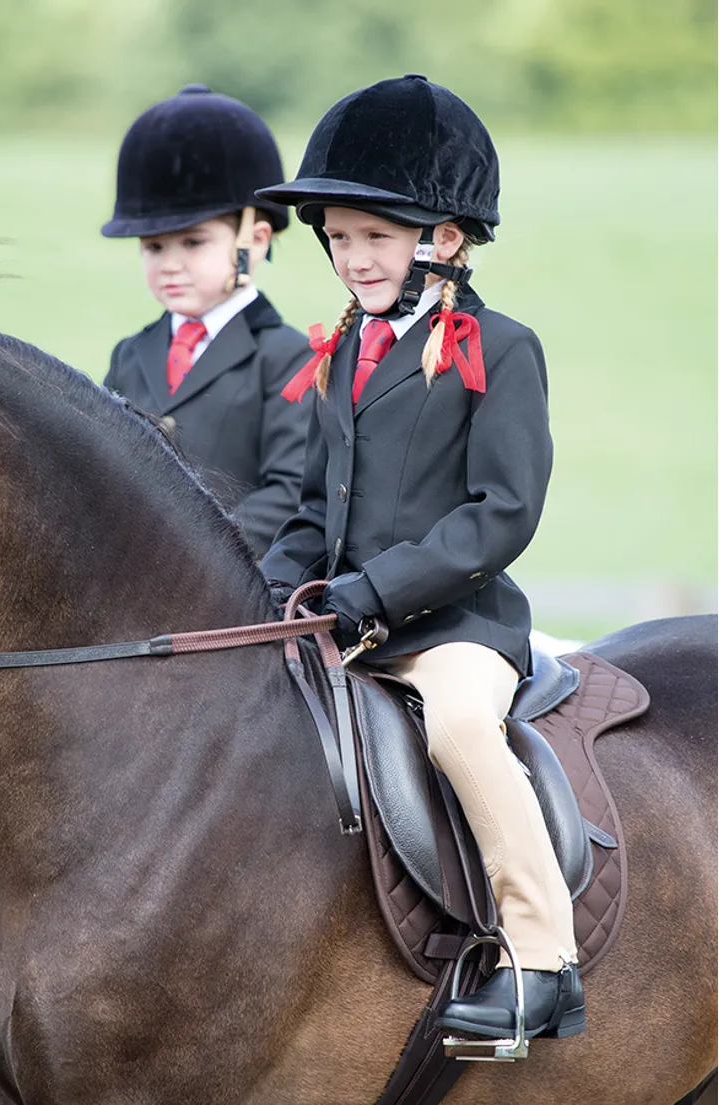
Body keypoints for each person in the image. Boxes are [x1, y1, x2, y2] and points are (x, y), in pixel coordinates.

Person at [258, 74, 584, 1041]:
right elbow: (316, 506)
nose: (351, 257)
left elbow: (504, 512)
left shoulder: (502, 347)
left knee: (457, 731)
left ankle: (541, 960)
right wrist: (275, 588)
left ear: (442, 238)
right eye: (339, 236)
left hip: (453, 627)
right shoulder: (345, 349)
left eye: (373, 235)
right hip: (344, 619)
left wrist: (375, 593)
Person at [102, 84, 311, 558]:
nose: (169, 264)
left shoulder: (288, 356)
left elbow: (291, 490)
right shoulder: (130, 355)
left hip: (240, 596)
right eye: (153, 247)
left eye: (193, 243)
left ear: (254, 240)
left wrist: (195, 552)